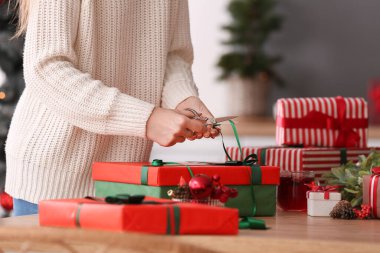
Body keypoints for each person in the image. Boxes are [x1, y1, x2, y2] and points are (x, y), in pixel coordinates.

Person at [5, 0, 219, 216]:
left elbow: (174, 55)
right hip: (53, 178)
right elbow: (47, 68)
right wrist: (145, 119)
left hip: (125, 180)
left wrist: (183, 99)